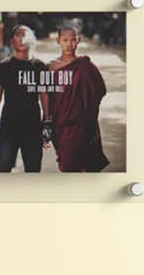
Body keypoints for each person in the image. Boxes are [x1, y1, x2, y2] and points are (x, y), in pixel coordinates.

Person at [0, 25, 48, 173]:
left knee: (33, 169)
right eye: (18, 35)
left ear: (33, 41)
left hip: (33, 127)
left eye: (26, 35)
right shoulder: (4, 66)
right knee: (3, 168)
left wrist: (48, 122)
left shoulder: (41, 66)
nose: (22, 39)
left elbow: (45, 95)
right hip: (9, 127)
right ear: (12, 41)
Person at [44, 23, 110, 172]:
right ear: (58, 41)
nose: (69, 44)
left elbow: (100, 90)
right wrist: (46, 122)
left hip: (81, 125)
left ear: (78, 40)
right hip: (60, 126)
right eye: (65, 40)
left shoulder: (85, 65)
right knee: (67, 165)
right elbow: (46, 96)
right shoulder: (50, 67)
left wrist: (86, 111)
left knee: (75, 165)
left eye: (72, 40)